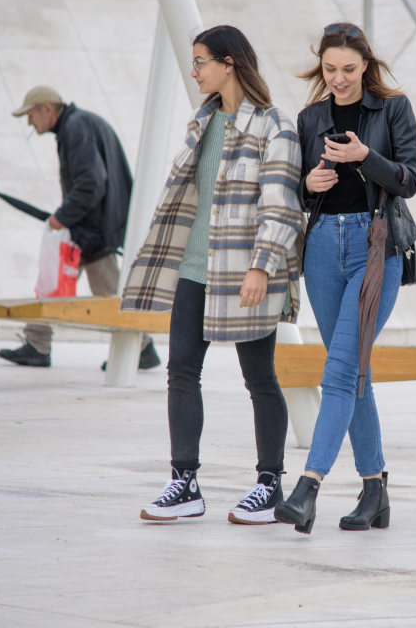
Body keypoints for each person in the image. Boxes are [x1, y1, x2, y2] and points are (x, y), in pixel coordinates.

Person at [121, 26, 303, 525]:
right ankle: (185, 483)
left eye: (201, 61)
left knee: (259, 377)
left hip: (245, 272)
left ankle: (270, 484)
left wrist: (262, 267)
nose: (195, 70)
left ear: (229, 63)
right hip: (195, 268)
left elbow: (282, 206)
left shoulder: (274, 127)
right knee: (181, 370)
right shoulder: (201, 123)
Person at [273, 22, 416, 534]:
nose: (339, 79)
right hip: (321, 249)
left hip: (375, 247)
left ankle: (308, 485)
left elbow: (411, 179)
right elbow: (298, 190)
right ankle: (375, 490)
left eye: (349, 70)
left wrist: (365, 157)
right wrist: (307, 184)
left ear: (366, 65)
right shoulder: (310, 117)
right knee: (353, 368)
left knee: (338, 369)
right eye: (331, 70)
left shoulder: (393, 108)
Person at [0, 85, 160, 371]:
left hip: (92, 229)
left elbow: (91, 184)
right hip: (91, 225)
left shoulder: (75, 127)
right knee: (55, 281)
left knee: (107, 293)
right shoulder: (77, 125)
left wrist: (61, 216)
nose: (29, 123)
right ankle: (37, 343)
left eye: (30, 116)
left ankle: (142, 347)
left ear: (46, 109)